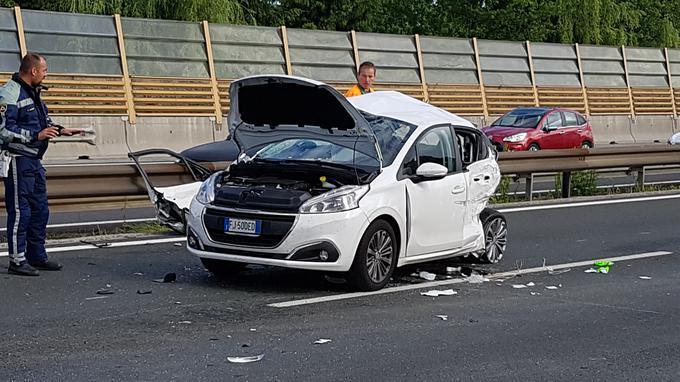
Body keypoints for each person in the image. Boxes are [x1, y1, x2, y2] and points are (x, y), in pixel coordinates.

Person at [0, 53, 83, 276]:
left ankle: (36, 256)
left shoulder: (33, 91)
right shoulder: (9, 93)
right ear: (33, 71)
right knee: (21, 212)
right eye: (44, 70)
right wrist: (35, 135)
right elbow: (3, 131)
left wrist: (60, 129)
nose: (46, 74)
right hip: (18, 161)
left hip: (34, 162)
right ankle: (17, 261)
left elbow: (42, 122)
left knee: (40, 210)